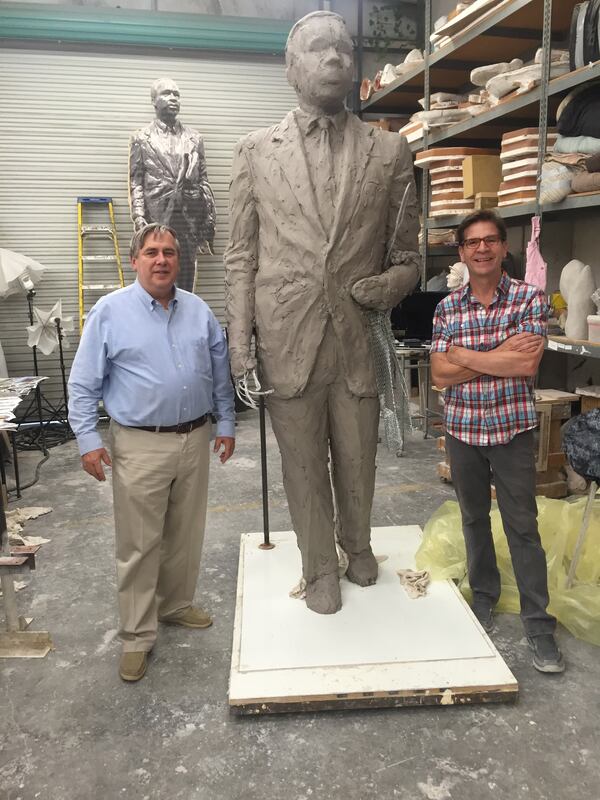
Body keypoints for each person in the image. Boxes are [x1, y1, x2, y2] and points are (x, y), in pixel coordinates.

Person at [224, 11, 420, 615]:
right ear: (291, 68)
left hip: (358, 334)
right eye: (318, 48)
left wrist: (388, 286)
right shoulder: (256, 152)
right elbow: (240, 256)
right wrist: (239, 345)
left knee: (359, 457)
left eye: (343, 46)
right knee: (303, 462)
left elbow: (411, 254)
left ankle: (357, 547)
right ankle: (317, 569)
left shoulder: (389, 151)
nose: (335, 56)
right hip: (288, 339)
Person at [68, 223, 235, 682]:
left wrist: (226, 423)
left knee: (185, 531)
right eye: (151, 252)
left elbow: (219, 376)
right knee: (140, 543)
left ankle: (175, 604)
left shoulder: (199, 311)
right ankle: (137, 636)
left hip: (195, 438)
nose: (161, 260)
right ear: (134, 260)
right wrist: (88, 440)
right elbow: (84, 383)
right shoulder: (110, 312)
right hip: (139, 442)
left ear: (178, 261)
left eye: (169, 253)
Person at [430, 210, 564, 674]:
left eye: (490, 240)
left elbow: (525, 366)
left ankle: (538, 625)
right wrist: (497, 355)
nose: (482, 249)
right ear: (462, 252)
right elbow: (439, 374)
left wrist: (464, 355)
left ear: (504, 247)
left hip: (511, 430)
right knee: (472, 518)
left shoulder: (529, 298)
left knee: (522, 526)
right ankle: (484, 595)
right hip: (463, 431)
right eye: (472, 243)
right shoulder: (447, 308)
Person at [129, 78, 216, 292]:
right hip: (156, 217)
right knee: (156, 276)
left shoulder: (194, 138)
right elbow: (136, 181)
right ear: (153, 100)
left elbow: (203, 179)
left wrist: (206, 219)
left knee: (186, 278)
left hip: (187, 218)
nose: (173, 99)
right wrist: (139, 217)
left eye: (176, 94)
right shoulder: (141, 138)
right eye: (167, 93)